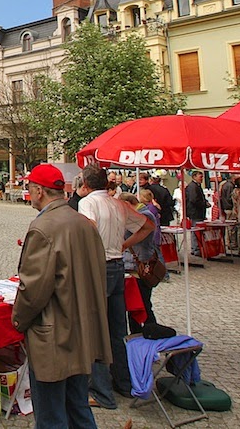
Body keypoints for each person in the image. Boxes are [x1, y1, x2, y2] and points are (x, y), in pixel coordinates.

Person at [12, 164, 111, 429]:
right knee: (78, 406)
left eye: (29, 188)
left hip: (54, 335)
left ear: (38, 191)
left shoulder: (43, 227)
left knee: (51, 414)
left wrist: (18, 321)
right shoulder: (82, 222)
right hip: (80, 331)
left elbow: (33, 291)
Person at [77, 164, 154, 408]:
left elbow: (87, 230)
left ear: (86, 185)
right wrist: (123, 244)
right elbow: (147, 226)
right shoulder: (118, 203)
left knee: (96, 329)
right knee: (117, 328)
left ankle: (101, 392)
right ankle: (124, 382)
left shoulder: (88, 203)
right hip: (117, 266)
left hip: (98, 266)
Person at [125, 190, 163, 329]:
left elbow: (133, 233)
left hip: (140, 264)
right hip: (136, 263)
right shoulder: (143, 214)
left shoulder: (144, 215)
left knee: (143, 303)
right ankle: (138, 332)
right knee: (135, 304)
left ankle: (150, 330)